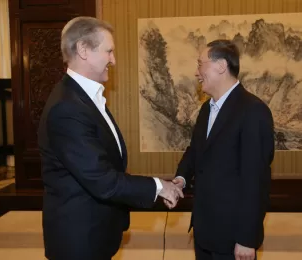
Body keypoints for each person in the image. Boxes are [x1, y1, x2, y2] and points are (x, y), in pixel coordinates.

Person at [37, 16, 183, 260]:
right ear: (84, 50)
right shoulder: (67, 108)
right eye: (109, 51)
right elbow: (101, 179)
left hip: (96, 234)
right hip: (78, 242)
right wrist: (159, 187)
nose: (113, 60)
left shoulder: (84, 98)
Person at [171, 39, 274, 260]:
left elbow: (256, 180)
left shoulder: (253, 111)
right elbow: (196, 151)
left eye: (200, 64)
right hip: (205, 233)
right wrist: (180, 178)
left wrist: (247, 238)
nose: (197, 72)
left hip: (233, 238)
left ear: (220, 66)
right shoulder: (206, 110)